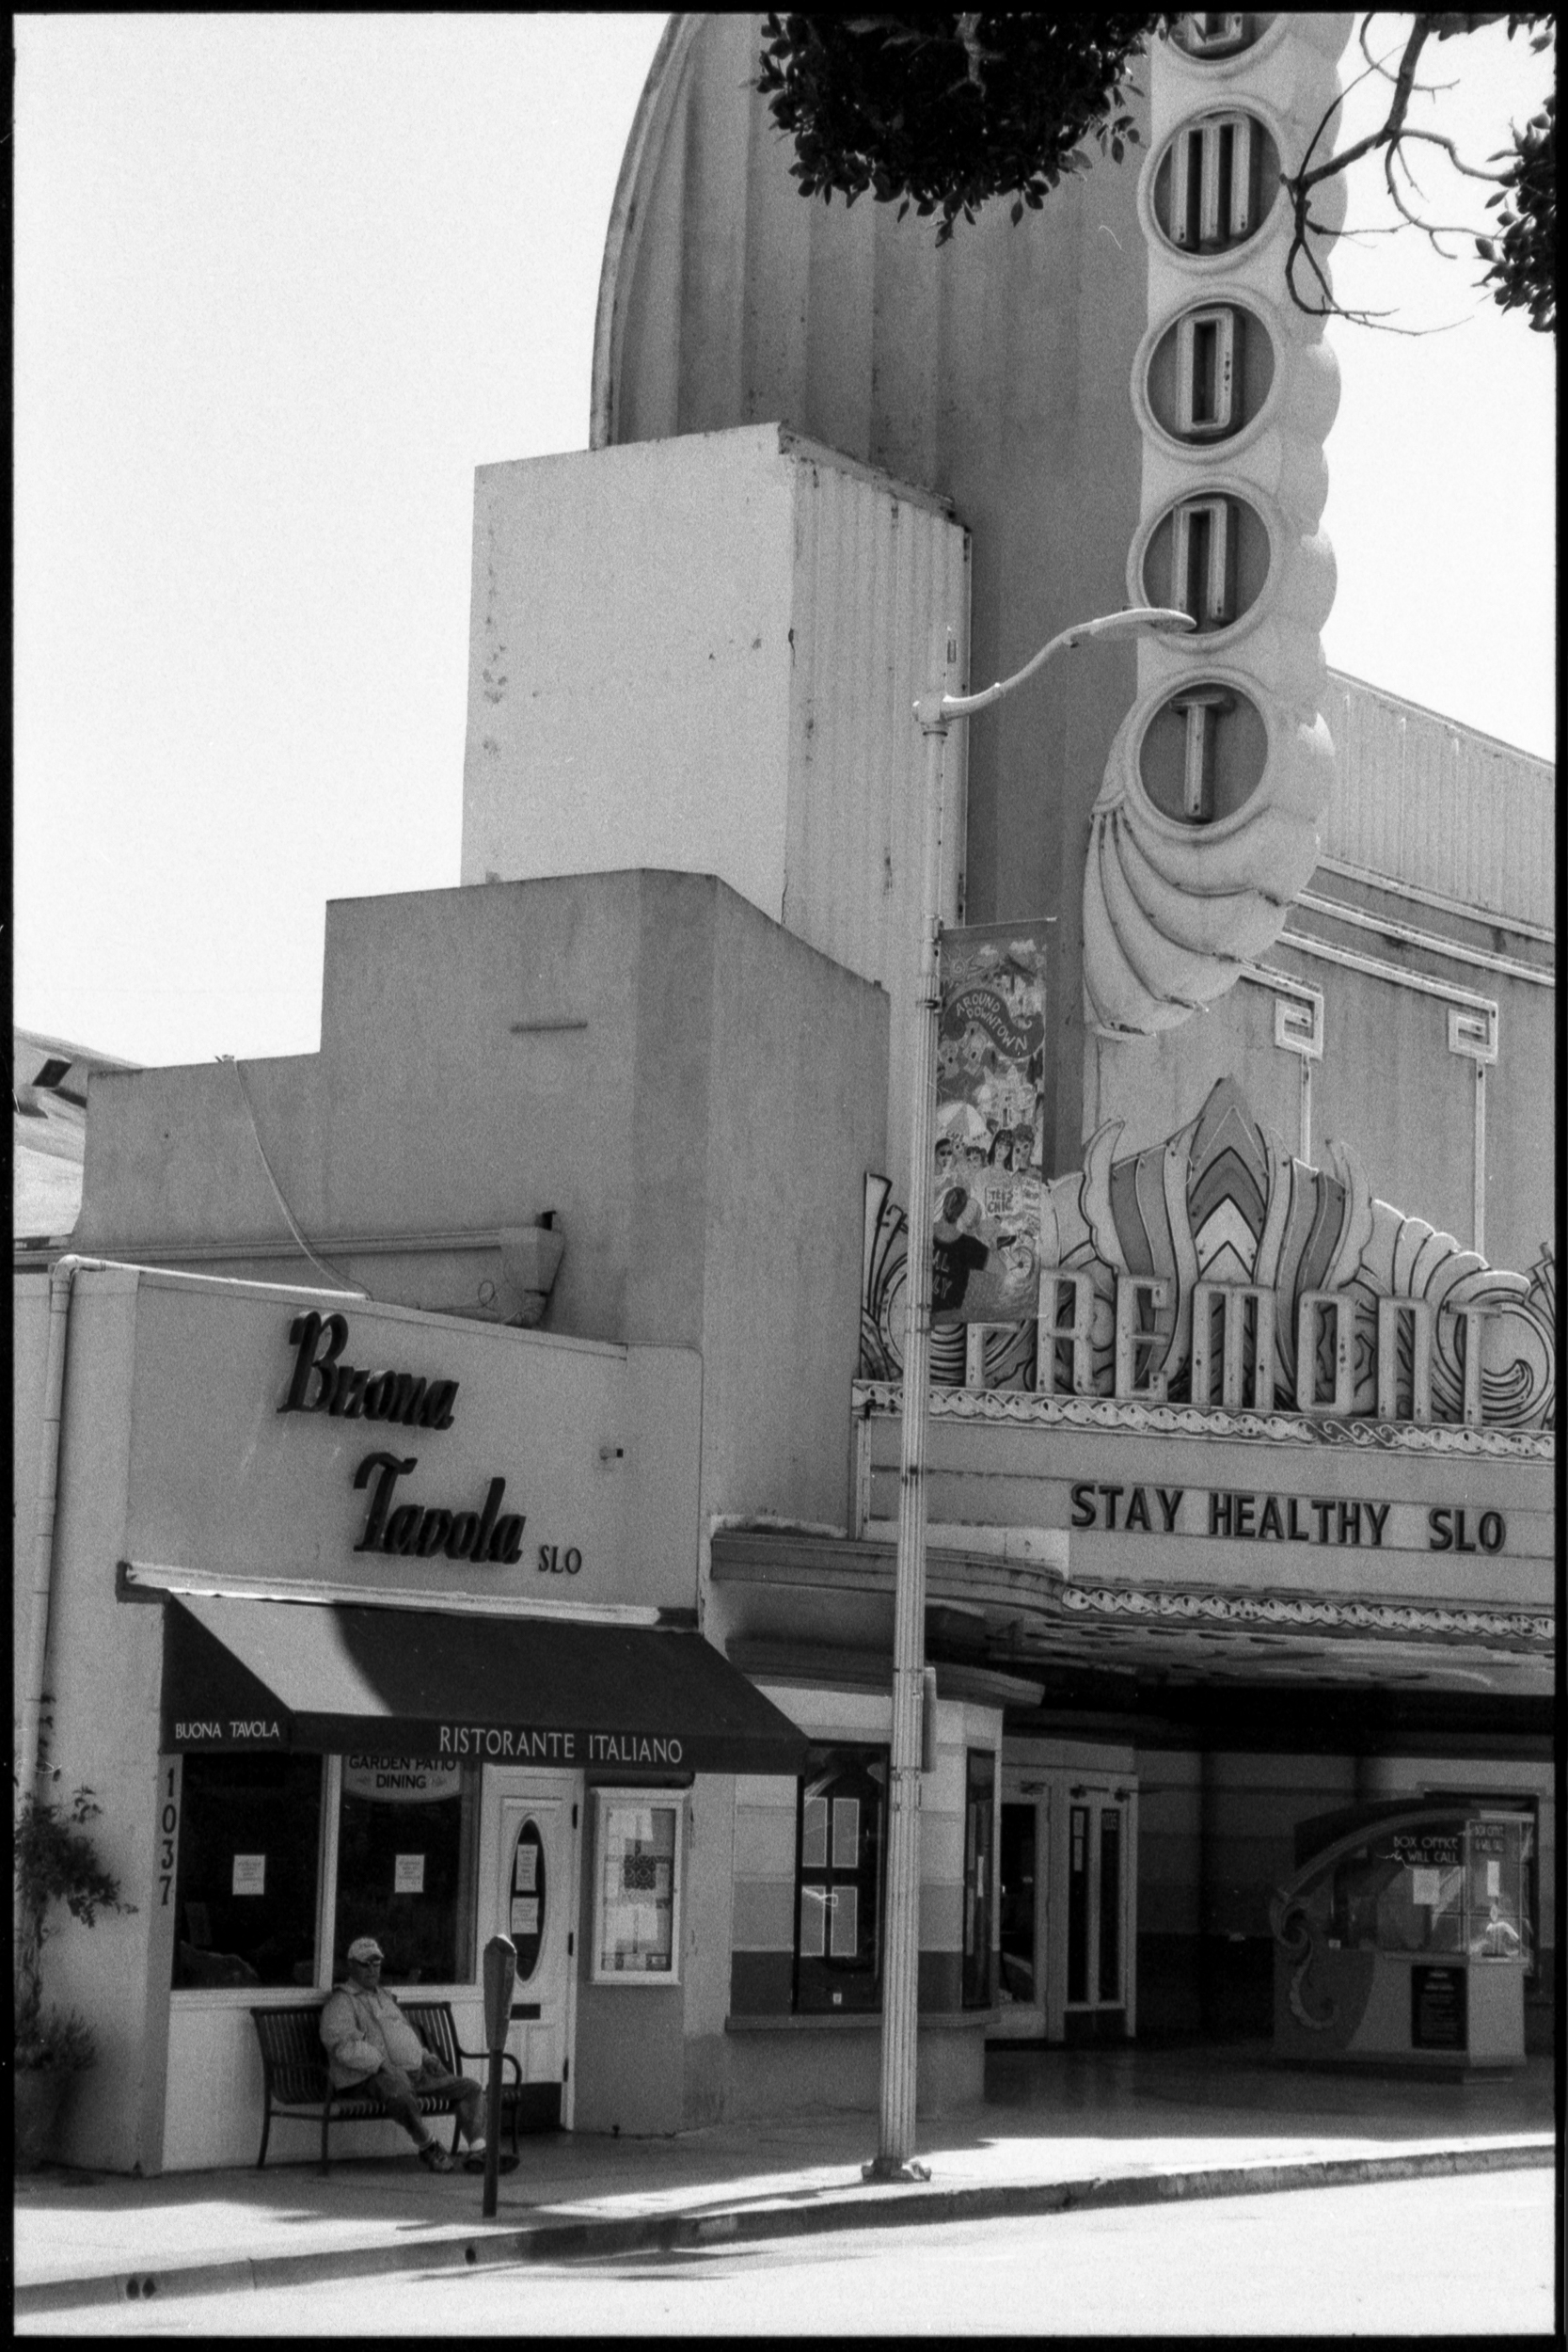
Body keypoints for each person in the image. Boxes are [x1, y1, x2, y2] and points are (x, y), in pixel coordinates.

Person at [319, 1935, 485, 2172]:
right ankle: (428, 2145)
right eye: (365, 1963)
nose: (372, 1969)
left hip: (414, 2074)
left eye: (376, 1963)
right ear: (351, 1966)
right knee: (397, 2089)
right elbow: (342, 2046)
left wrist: (426, 2057)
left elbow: (405, 2034)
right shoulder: (341, 2002)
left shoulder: (385, 1997)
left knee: (470, 2087)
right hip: (367, 2077)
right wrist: (382, 2064)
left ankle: (479, 2151)